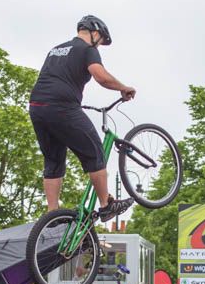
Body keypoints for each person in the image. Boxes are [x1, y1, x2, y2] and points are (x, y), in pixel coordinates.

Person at [29, 15, 136, 218]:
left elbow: (55, 78)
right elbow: (101, 76)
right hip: (62, 107)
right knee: (94, 152)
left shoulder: (56, 49)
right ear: (95, 33)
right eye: (101, 41)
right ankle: (106, 205)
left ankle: (52, 215)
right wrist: (123, 88)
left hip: (37, 108)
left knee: (53, 160)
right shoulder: (87, 49)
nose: (99, 46)